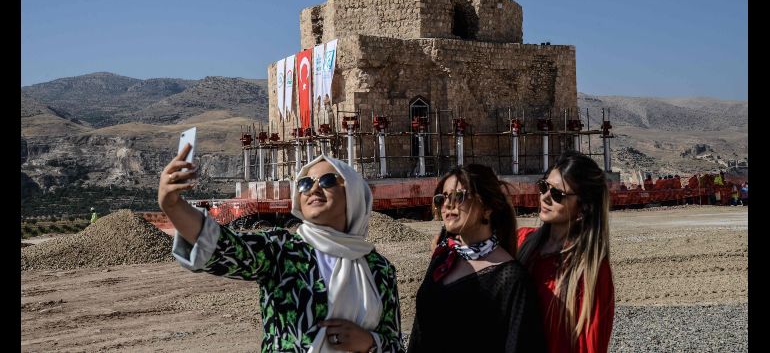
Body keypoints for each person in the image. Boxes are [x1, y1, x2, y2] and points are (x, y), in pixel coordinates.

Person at [159, 145, 403, 352]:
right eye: (305, 183)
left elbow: (394, 343)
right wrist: (173, 206)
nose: (313, 189)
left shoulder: (379, 269)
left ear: (354, 194)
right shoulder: (283, 251)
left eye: (327, 181)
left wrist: (370, 342)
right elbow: (225, 248)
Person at [407, 164, 545, 352]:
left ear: (487, 207)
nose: (448, 205)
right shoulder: (442, 259)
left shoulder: (511, 279)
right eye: (443, 198)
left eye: (459, 196)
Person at [517, 150, 615, 353]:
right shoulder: (522, 241)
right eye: (544, 186)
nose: (544, 197)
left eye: (557, 194)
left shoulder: (588, 270)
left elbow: (591, 346)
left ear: (583, 208)